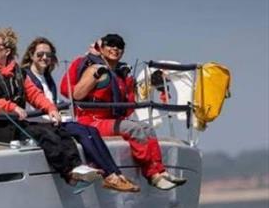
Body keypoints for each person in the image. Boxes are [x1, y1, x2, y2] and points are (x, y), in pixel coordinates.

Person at [0, 27, 102, 187]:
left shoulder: (18, 73)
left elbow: (34, 94)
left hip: (15, 124)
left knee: (58, 129)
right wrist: (12, 107)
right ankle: (69, 174)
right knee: (43, 133)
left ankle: (77, 167)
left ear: (7, 51)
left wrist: (51, 108)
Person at [59, 33, 186, 190]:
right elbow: (77, 94)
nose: (115, 48)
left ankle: (160, 171)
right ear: (102, 48)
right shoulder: (95, 69)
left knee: (148, 128)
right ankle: (152, 175)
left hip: (109, 119)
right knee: (134, 129)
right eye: (110, 44)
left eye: (120, 46)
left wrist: (131, 83)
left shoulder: (119, 75)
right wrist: (95, 75)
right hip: (92, 120)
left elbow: (127, 107)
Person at [21, 37, 140, 193]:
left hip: (53, 119)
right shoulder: (25, 76)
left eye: (48, 55)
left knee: (92, 131)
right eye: (40, 54)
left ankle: (115, 173)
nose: (45, 58)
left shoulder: (47, 77)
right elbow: (34, 101)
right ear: (31, 55)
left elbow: (51, 100)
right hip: (39, 122)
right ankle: (110, 176)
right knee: (83, 132)